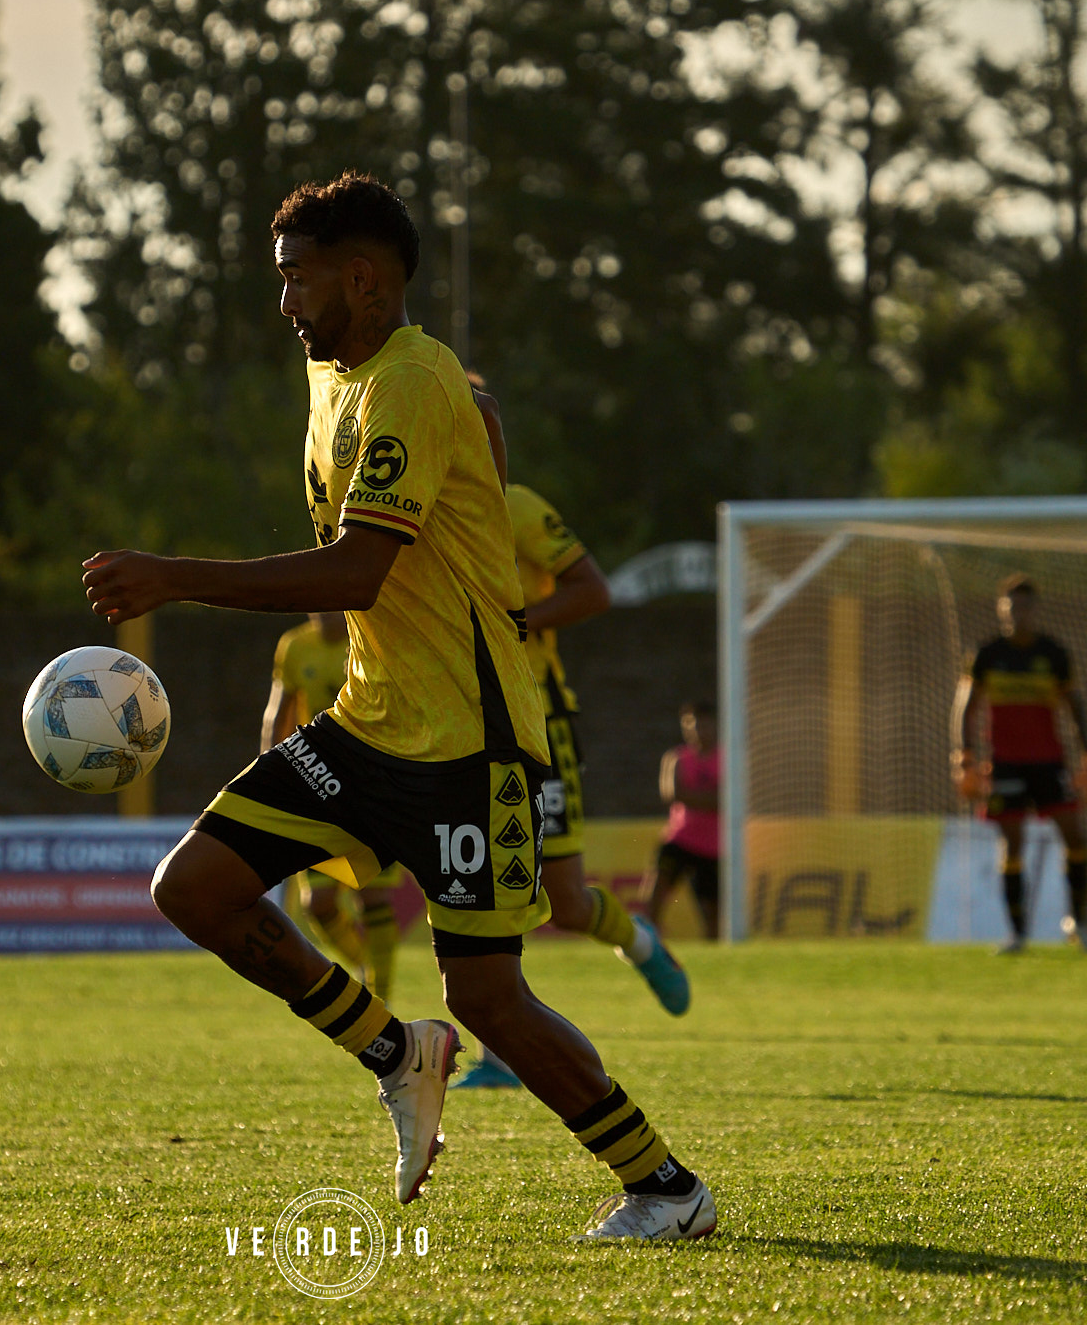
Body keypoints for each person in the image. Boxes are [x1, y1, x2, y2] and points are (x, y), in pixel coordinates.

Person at [83, 171, 716, 1243]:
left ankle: (664, 1185)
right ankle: (393, 1051)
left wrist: (170, 574)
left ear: (363, 279)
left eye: (295, 279)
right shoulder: (339, 381)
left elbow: (355, 571)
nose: (283, 303)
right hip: (366, 724)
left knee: (489, 996)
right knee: (193, 885)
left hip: (473, 746)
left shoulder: (413, 380)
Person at [455, 465, 691, 1093]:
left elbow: (593, 590)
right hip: (461, 724)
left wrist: (516, 623)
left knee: (567, 901)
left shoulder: (517, 505)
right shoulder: (413, 508)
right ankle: (499, 1054)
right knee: (477, 885)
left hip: (537, 719)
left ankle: (640, 941)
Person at [952, 575, 1087, 954]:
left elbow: (1075, 705)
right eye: (1010, 607)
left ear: (1034, 609)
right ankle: (1017, 934)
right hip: (1006, 765)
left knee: (1075, 837)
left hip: (1050, 762)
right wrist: (965, 757)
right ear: (1002, 610)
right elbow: (967, 706)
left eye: (1023, 607)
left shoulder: (1053, 653)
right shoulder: (987, 653)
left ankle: (1078, 923)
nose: (1017, 614)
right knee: (1012, 845)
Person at [262, 613, 401, 999]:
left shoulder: (373, 636)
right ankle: (364, 965)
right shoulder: (295, 644)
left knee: (371, 895)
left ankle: (381, 993)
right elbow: (280, 710)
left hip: (371, 783)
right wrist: (270, 770)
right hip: (316, 782)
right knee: (317, 904)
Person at [652, 701, 721, 942]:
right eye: (690, 725)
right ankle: (650, 946)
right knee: (656, 895)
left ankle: (715, 956)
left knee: (713, 912)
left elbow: (729, 799)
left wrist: (693, 798)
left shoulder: (728, 757)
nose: (697, 730)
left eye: (703, 724)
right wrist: (711, 799)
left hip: (714, 846)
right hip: (680, 839)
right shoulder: (676, 758)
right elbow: (671, 795)